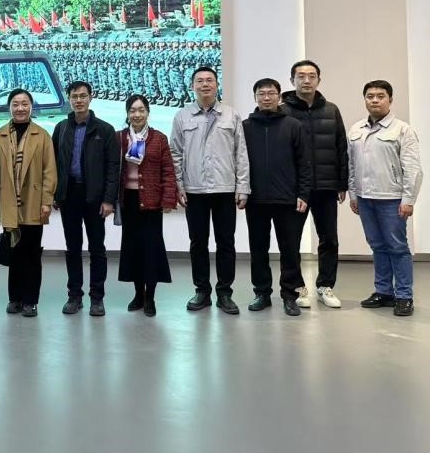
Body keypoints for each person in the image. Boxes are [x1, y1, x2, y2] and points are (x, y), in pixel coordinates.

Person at [170, 66, 250, 314]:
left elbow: (241, 153)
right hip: (194, 191)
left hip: (225, 189)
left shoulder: (231, 115)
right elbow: (175, 153)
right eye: (200, 81)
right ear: (193, 86)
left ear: (216, 85)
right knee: (198, 243)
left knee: (226, 242)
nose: (205, 84)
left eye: (209, 80)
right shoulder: (182, 116)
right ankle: (202, 291)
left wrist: (243, 187)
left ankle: (225, 293)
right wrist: (179, 186)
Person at [348, 80, 423, 317]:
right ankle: (383, 292)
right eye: (370, 96)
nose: (375, 100)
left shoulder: (402, 130)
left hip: (392, 199)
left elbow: (413, 169)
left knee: (397, 247)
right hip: (365, 198)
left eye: (380, 96)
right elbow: (352, 165)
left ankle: (404, 296)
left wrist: (408, 199)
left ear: (390, 100)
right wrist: (353, 194)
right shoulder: (356, 129)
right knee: (377, 246)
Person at [242, 78, 313, 317]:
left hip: (288, 200)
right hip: (256, 200)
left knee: (290, 250)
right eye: (261, 94)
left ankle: (290, 295)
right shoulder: (245, 127)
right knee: (258, 249)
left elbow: (305, 163)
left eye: (271, 93)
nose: (266, 98)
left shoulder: (293, 125)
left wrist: (303, 193)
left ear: (279, 96)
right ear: (255, 98)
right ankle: (262, 293)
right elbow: (239, 162)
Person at [281, 59, 349, 308]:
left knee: (329, 239)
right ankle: (297, 287)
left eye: (311, 76)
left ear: (319, 80)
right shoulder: (282, 111)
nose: (306, 80)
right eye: (301, 76)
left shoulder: (331, 110)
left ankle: (325, 286)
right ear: (292, 80)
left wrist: (342, 183)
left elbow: (341, 147)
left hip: (326, 187)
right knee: (291, 241)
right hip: (295, 190)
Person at [52, 80, 120, 317]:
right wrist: (56, 194)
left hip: (95, 198)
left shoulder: (105, 130)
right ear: (69, 99)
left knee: (97, 248)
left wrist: (108, 199)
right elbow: (53, 164)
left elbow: (113, 167)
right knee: (72, 248)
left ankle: (97, 297)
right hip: (69, 196)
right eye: (74, 96)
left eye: (83, 96)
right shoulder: (61, 128)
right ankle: (74, 296)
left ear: (91, 97)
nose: (78, 100)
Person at [0, 89, 57, 317]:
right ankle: (15, 298)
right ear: (9, 107)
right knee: (14, 253)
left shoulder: (42, 135)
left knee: (31, 254)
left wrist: (46, 201)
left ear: (31, 107)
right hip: (9, 202)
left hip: (34, 202)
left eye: (24, 104)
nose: (20, 108)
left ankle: (30, 300)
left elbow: (50, 171)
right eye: (15, 104)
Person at [116, 94, 177, 317]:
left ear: (148, 112)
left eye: (141, 110)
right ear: (127, 113)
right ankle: (138, 294)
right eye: (132, 110)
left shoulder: (159, 138)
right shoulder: (119, 138)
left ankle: (150, 296)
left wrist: (168, 199)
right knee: (133, 249)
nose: (137, 114)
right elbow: (112, 170)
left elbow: (168, 171)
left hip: (152, 202)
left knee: (151, 249)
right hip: (129, 201)